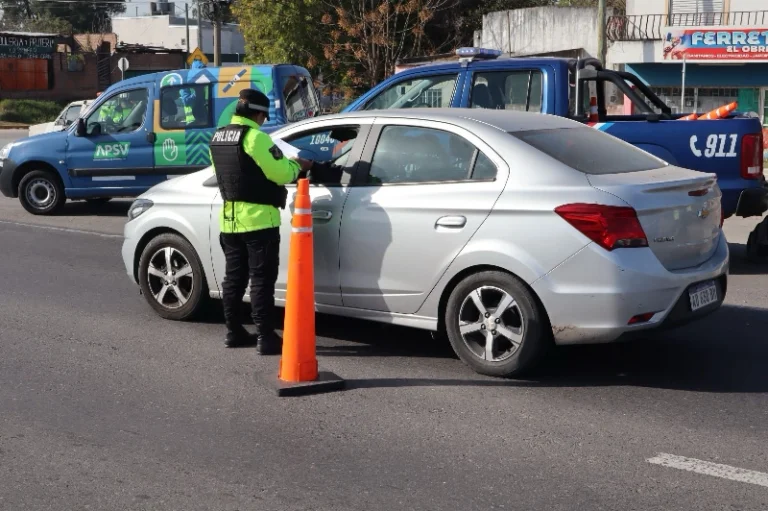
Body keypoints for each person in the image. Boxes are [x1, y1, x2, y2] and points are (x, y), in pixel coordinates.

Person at [209, 88, 312, 353]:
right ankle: (265, 337)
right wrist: (298, 165)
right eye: (263, 116)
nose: (264, 121)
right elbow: (280, 174)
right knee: (261, 280)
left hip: (229, 221)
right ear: (258, 113)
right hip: (259, 222)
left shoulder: (218, 137)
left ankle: (233, 332)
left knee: (233, 279)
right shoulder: (256, 138)